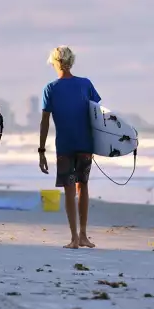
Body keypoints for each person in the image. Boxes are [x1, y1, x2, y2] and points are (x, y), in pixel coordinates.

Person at [38, 46, 101, 249]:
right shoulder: (85, 84)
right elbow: (97, 116)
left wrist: (41, 150)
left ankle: (75, 237)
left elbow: (45, 121)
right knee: (82, 187)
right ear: (71, 61)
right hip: (85, 145)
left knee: (70, 189)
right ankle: (82, 235)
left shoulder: (51, 88)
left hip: (65, 146)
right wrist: (99, 143)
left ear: (54, 63)